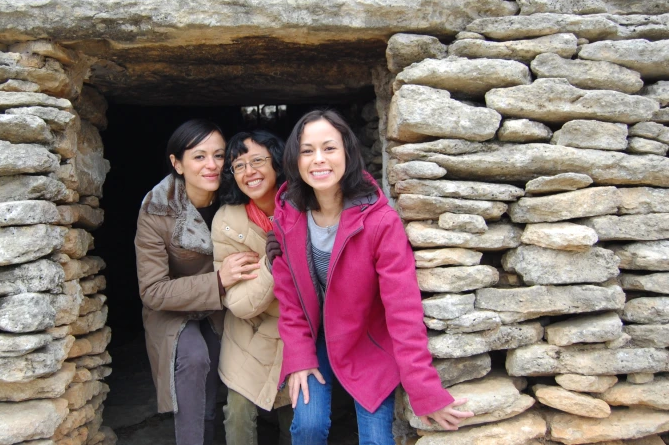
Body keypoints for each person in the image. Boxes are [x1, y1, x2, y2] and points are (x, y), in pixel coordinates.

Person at [270, 110, 473, 445]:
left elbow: (403, 310)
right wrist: (298, 357)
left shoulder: (379, 221)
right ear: (295, 158)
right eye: (307, 150)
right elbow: (290, 301)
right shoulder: (287, 217)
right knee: (307, 425)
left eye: (329, 148)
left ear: (348, 153)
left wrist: (423, 388)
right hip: (316, 337)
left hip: (367, 341)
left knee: (376, 440)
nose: (318, 160)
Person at [134, 119, 260, 445]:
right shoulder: (156, 210)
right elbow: (152, 290)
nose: (212, 166)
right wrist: (217, 281)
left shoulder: (237, 197)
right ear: (177, 163)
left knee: (220, 353)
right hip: (172, 306)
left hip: (221, 305)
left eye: (219, 156)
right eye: (199, 156)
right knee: (194, 356)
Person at [212, 130, 293, 445]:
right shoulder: (226, 221)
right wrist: (271, 265)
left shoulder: (305, 206)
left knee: (298, 420)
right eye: (239, 166)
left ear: (277, 163)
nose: (249, 172)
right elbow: (240, 304)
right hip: (248, 332)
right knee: (238, 414)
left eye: (258, 160)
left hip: (294, 333)